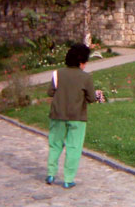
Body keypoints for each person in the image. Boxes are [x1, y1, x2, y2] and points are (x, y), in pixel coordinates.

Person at [46, 43, 96, 189]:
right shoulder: (86, 77)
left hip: (57, 114)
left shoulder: (57, 74)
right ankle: (68, 179)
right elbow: (91, 98)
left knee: (55, 144)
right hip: (77, 117)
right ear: (82, 62)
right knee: (74, 147)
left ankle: (50, 173)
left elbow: (50, 92)